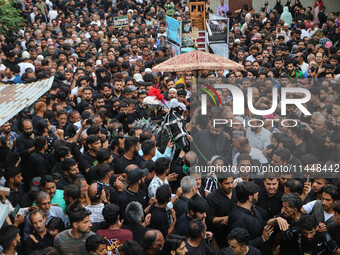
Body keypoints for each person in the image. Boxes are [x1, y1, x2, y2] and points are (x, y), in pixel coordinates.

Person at [206, 176, 236, 248]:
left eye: (232, 182)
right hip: (219, 236)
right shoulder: (212, 198)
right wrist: (224, 219)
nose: (230, 186)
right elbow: (210, 219)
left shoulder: (236, 192)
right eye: (227, 183)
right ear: (219, 183)